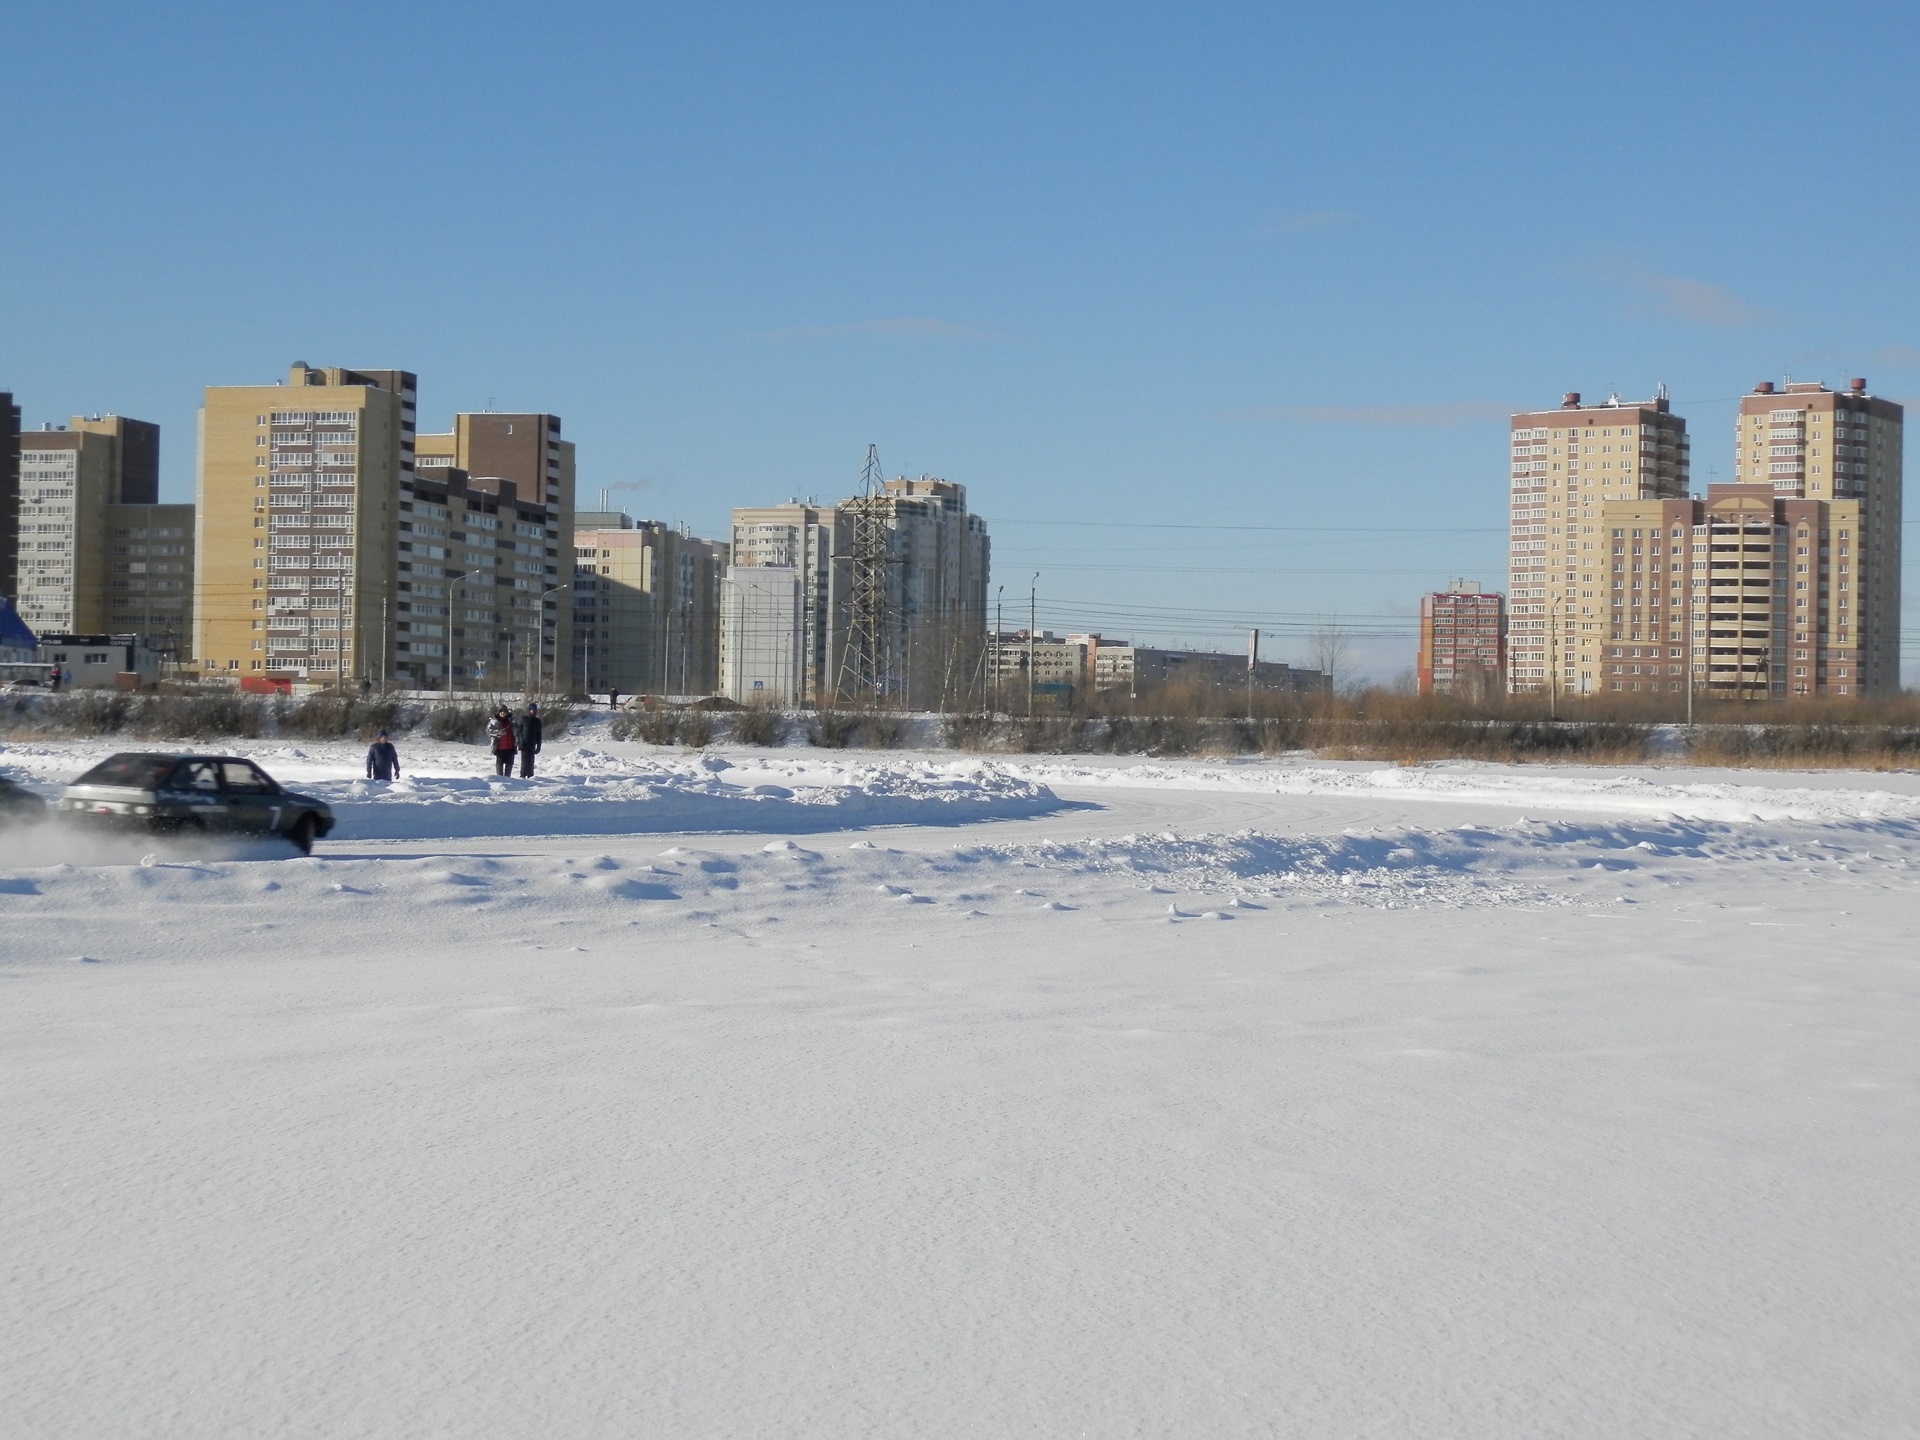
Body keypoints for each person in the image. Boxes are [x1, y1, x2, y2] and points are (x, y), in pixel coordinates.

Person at [513, 702, 544, 778]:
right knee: (524, 762)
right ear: (529, 710)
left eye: (535, 710)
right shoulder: (524, 719)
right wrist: (519, 742)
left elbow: (539, 734)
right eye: (532, 710)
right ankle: (523, 776)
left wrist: (539, 746)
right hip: (524, 743)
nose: (533, 711)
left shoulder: (537, 721)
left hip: (532, 743)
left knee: (531, 761)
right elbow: (518, 732)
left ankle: (531, 776)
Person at [486, 706, 517, 777]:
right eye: (501, 711)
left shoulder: (511, 721)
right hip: (499, 748)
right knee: (499, 774)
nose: (503, 713)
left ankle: (509, 786)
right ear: (498, 712)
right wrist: (499, 732)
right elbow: (488, 731)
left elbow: (517, 731)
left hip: (510, 748)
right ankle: (500, 785)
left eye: (504, 711)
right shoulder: (494, 721)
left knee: (508, 774)